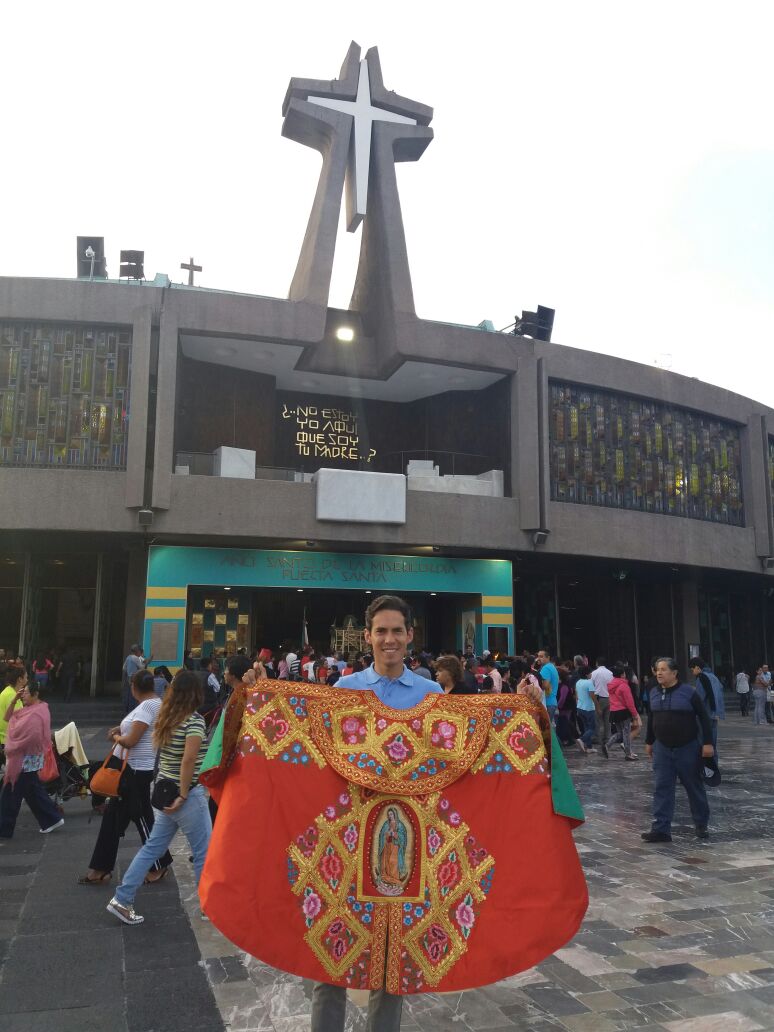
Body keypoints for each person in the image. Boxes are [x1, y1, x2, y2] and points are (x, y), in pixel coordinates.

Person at [315, 594, 442, 1031]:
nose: (389, 640)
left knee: (393, 956)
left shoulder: (432, 695)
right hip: (347, 839)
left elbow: (449, 768)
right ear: (366, 636)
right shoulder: (344, 691)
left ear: (410, 635)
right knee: (331, 949)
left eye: (397, 631)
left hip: (404, 843)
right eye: (380, 631)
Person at [107, 669, 211, 926]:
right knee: (203, 852)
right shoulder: (194, 721)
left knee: (152, 847)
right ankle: (209, 906)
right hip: (186, 795)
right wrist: (185, 794)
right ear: (196, 694)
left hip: (163, 790)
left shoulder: (167, 718)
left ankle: (122, 898)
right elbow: (188, 760)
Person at [78, 668, 173, 885]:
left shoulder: (149, 706)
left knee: (142, 818)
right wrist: (120, 729)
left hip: (134, 771)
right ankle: (101, 868)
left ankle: (159, 864)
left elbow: (131, 741)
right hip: (133, 769)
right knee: (113, 819)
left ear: (134, 687)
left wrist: (117, 736)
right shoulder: (154, 704)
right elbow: (137, 729)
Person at [641, 657, 714, 843]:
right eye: (657, 669)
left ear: (674, 673)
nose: (659, 672)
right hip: (662, 748)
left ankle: (701, 824)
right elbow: (652, 718)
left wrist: (707, 743)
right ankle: (661, 829)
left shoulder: (689, 692)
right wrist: (649, 741)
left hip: (687, 748)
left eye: (664, 669)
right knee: (661, 788)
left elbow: (704, 718)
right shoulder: (654, 693)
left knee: (694, 786)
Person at [0, 667, 64, 838]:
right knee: (31, 791)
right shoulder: (28, 708)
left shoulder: (37, 713)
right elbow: (8, 718)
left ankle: (4, 828)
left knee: (11, 792)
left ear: (35, 695)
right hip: (24, 758)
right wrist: (14, 700)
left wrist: (13, 745)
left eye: (26, 693)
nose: (23, 695)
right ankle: (51, 819)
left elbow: (30, 737)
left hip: (24, 758)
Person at [603, 662, 641, 760]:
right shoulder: (624, 686)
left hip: (614, 711)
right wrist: (635, 714)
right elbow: (629, 702)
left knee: (620, 732)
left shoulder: (611, 685)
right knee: (626, 732)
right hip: (623, 712)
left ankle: (607, 745)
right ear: (622, 675)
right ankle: (628, 754)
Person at [689, 657, 724, 757]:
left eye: (692, 670)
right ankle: (713, 768)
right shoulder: (713, 676)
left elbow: (700, 698)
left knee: (704, 742)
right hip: (714, 713)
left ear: (697, 667)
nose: (692, 673)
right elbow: (719, 693)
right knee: (712, 743)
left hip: (705, 714)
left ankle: (705, 768)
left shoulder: (701, 677)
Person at [574, 665, 597, 753]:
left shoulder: (578, 682)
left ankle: (589, 747)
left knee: (586, 728)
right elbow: (593, 696)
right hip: (589, 708)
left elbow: (576, 696)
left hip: (580, 707)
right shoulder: (589, 683)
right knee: (592, 728)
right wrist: (598, 707)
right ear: (587, 674)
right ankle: (582, 740)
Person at [590, 657, 613, 746]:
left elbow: (591, 685)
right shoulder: (610, 673)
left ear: (597, 663)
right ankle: (607, 737)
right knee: (608, 720)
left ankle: (597, 737)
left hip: (598, 698)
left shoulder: (594, 673)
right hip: (609, 697)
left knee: (597, 719)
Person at [122, 645, 147, 714]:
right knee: (135, 694)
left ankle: (127, 709)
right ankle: (133, 710)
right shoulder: (135, 658)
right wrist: (145, 662)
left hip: (128, 678)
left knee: (129, 694)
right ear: (137, 651)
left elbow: (124, 668)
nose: (140, 653)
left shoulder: (128, 657)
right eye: (140, 651)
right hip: (135, 677)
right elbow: (142, 667)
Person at [536, 648, 559, 723]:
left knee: (545, 730)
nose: (539, 659)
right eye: (538, 656)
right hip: (551, 702)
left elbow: (545, 685)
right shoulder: (551, 667)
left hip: (547, 702)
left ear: (548, 657)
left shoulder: (546, 668)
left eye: (541, 656)